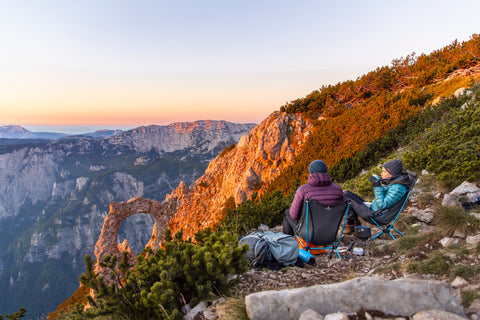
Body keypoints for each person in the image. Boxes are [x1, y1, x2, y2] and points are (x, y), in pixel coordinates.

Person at [343, 159, 412, 233]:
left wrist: (377, 186)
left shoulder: (398, 188)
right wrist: (383, 183)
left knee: (346, 196)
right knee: (347, 193)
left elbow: (382, 205)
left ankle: (351, 224)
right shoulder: (396, 183)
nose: (382, 173)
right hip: (375, 209)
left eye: (384, 172)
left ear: (391, 172)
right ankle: (353, 223)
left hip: (376, 215)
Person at [283, 160, 344, 235]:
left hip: (309, 234)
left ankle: (287, 242)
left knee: (287, 213)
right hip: (331, 233)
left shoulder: (303, 190)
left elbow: (294, 216)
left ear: (310, 172)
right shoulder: (338, 189)